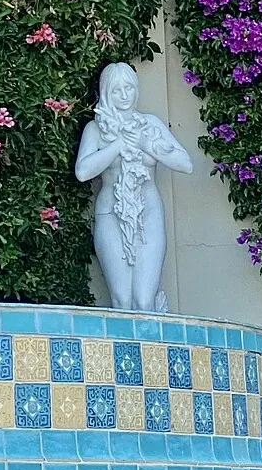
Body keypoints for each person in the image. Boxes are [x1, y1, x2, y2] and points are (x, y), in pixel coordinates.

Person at [73, 61, 193, 313]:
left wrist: (145, 143)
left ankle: (152, 350)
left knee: (143, 300)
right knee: (122, 300)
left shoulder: (150, 124)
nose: (124, 96)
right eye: (116, 90)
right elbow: (83, 172)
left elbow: (185, 163)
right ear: (106, 92)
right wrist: (117, 145)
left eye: (129, 88)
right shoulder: (96, 129)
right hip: (111, 214)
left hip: (148, 213)